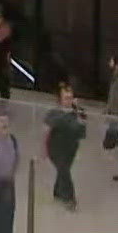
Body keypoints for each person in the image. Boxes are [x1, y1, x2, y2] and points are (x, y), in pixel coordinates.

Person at [43, 82, 87, 210]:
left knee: (63, 170)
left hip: (70, 148)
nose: (69, 100)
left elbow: (82, 131)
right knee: (64, 170)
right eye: (66, 98)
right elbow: (48, 128)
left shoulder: (77, 113)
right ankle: (69, 197)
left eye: (70, 97)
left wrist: (79, 115)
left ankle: (57, 191)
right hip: (56, 148)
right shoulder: (54, 113)